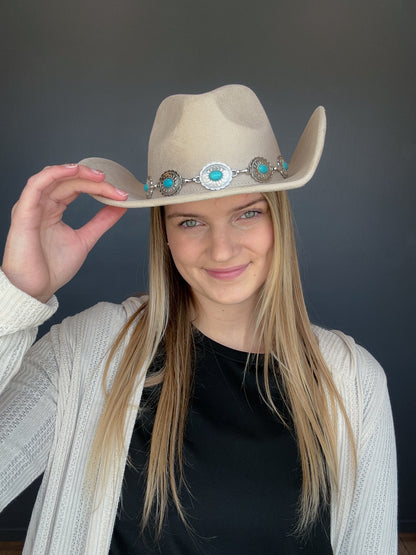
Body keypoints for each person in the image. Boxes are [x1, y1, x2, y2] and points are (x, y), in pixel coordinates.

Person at [0, 84, 397, 554]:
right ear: (163, 233)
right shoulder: (90, 350)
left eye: (246, 213)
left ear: (279, 221)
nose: (222, 249)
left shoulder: (352, 381)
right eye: (190, 221)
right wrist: (17, 293)